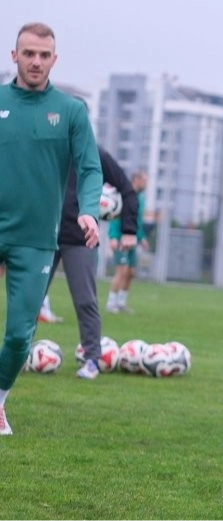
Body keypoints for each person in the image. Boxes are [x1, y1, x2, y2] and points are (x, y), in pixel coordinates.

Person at [0, 22, 102, 436]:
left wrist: (89, 210)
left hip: (36, 241)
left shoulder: (71, 111)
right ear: (14, 56)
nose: (36, 61)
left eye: (44, 55)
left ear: (54, 60)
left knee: (19, 337)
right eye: (29, 53)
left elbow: (91, 168)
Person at [50, 145, 139, 379]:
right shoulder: (47, 147)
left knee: (85, 301)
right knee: (28, 301)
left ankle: (91, 361)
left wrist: (129, 230)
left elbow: (127, 189)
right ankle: (17, 356)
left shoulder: (94, 153)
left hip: (80, 238)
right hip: (42, 235)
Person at [106, 171, 148, 313]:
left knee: (131, 272)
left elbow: (137, 221)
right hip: (120, 238)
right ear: (136, 179)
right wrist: (113, 237)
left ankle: (121, 302)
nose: (146, 184)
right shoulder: (123, 195)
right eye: (144, 180)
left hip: (133, 239)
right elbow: (115, 217)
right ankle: (111, 303)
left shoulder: (140, 198)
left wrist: (141, 237)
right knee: (122, 271)